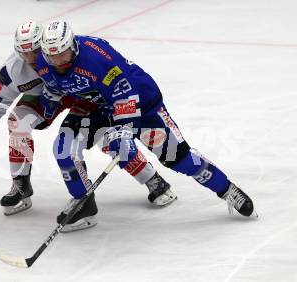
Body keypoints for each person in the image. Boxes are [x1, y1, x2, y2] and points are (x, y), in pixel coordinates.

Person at [37, 21, 257, 230]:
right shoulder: (42, 62)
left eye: (62, 54)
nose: (57, 61)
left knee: (178, 158)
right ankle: (83, 205)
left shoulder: (97, 58)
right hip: (96, 108)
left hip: (141, 103)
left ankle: (227, 189)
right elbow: (56, 86)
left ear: (73, 46)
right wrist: (47, 109)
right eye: (51, 56)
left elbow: (125, 91)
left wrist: (124, 130)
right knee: (64, 149)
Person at [0, 21, 177, 220]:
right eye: (25, 53)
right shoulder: (13, 70)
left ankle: (152, 179)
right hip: (48, 97)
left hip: (81, 95)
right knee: (17, 122)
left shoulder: (65, 57)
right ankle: (20, 185)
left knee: (103, 135)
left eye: (36, 50)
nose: (33, 58)